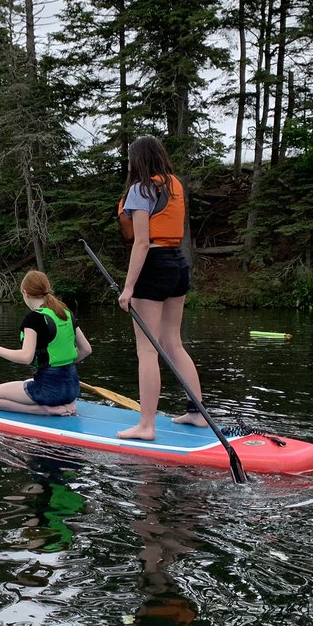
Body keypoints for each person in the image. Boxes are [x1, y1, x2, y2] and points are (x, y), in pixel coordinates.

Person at [115, 135, 207, 440]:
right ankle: (198, 414)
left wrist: (128, 289)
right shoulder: (174, 184)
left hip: (153, 266)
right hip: (178, 264)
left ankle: (146, 425)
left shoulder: (140, 190)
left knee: (147, 350)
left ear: (137, 160)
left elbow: (140, 242)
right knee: (173, 343)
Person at [0, 270, 92, 416]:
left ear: (25, 293)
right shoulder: (65, 313)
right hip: (72, 390)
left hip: (49, 392)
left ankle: (44, 410)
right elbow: (86, 350)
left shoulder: (34, 319)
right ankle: (65, 403)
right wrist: (61, 367)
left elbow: (26, 357)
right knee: (29, 380)